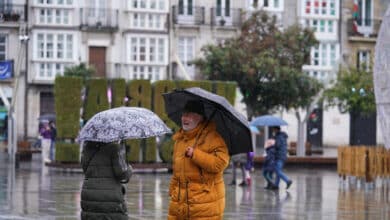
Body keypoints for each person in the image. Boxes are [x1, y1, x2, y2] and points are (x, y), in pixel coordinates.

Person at [167, 100, 230, 220]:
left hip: (205, 205)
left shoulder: (214, 138)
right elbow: (177, 172)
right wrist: (172, 190)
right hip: (180, 204)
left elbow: (220, 164)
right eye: (184, 114)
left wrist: (196, 154)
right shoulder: (180, 140)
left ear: (200, 117)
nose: (185, 118)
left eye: (190, 115)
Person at [80, 141, 132, 220]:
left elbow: (84, 168)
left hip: (89, 194)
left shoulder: (87, 147)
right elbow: (121, 173)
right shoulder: (114, 148)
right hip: (110, 197)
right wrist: (129, 169)